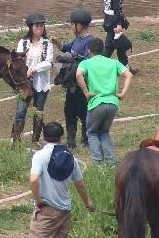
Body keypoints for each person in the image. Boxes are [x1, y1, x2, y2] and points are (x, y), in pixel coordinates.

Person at [28, 122, 94, 238]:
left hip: (47, 208)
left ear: (44, 137)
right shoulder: (70, 156)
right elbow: (79, 183)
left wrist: (38, 200)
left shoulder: (40, 156)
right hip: (65, 208)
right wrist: (88, 203)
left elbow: (34, 179)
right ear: (62, 136)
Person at [75, 38, 133, 165]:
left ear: (89, 51)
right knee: (104, 132)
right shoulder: (113, 62)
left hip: (96, 102)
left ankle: (98, 163)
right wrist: (122, 94)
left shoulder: (86, 63)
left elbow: (78, 75)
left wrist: (86, 92)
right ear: (102, 50)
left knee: (92, 132)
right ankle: (111, 161)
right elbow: (129, 75)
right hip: (112, 103)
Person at [51, 9, 95, 149]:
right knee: (69, 112)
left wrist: (73, 59)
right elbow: (66, 48)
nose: (70, 26)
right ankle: (71, 142)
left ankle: (86, 141)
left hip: (83, 85)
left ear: (80, 26)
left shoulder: (91, 42)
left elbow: (89, 62)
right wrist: (57, 43)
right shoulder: (77, 40)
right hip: (71, 85)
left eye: (72, 24)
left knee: (84, 113)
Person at [11, 12, 54, 146]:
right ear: (30, 27)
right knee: (21, 111)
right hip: (25, 83)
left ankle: (35, 140)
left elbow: (48, 62)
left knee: (38, 111)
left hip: (41, 82)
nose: (40, 28)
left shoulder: (47, 43)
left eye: (41, 26)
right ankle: (16, 140)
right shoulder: (22, 43)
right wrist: (26, 71)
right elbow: (18, 61)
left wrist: (33, 69)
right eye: (37, 26)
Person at [102, 0, 139, 75]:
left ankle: (125, 68)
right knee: (112, 47)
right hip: (114, 22)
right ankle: (98, 68)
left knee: (117, 46)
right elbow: (117, 8)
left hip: (108, 20)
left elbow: (107, 7)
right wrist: (119, 24)